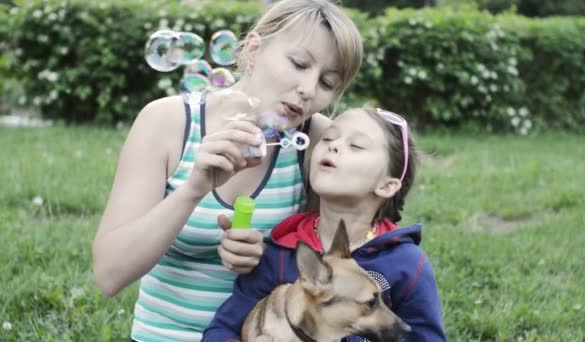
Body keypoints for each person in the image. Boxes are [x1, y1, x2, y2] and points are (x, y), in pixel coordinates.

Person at [91, 0, 363, 340]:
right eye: (298, 63)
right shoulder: (166, 122)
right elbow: (109, 274)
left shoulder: (317, 140)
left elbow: (333, 275)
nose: (308, 89)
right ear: (252, 50)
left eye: (327, 83)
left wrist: (267, 259)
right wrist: (193, 190)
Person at [203, 108, 446, 341]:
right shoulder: (281, 252)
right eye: (328, 137)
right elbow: (222, 328)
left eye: (356, 145)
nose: (334, 145)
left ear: (387, 185)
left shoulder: (407, 264)